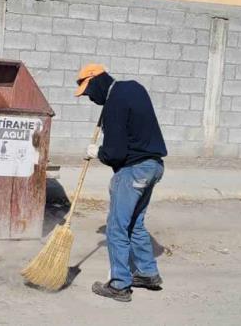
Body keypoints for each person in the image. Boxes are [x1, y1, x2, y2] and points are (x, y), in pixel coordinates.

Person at [74, 63, 167, 302]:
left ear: (96, 80)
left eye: (87, 91)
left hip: (133, 171)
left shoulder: (114, 101)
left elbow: (115, 153)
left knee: (116, 227)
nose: (90, 98)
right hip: (153, 166)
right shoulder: (133, 88)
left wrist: (98, 152)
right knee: (135, 223)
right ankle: (147, 273)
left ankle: (119, 285)